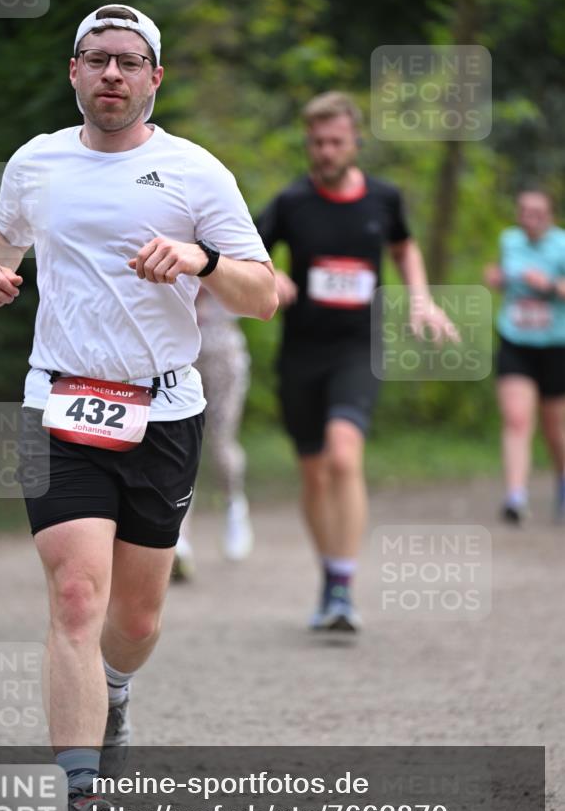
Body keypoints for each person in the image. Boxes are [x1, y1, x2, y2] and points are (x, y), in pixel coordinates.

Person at [0, 3, 276, 811]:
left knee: (133, 621)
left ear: (154, 78)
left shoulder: (194, 172)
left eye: (128, 61)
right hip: (60, 403)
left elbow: (264, 292)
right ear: (73, 71)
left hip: (163, 412)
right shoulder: (38, 160)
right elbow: (0, 227)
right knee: (75, 596)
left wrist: (202, 262)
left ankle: (114, 691)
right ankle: (83, 800)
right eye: (95, 59)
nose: (111, 74)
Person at [256, 91, 458, 633]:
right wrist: (270, 275)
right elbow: (244, 250)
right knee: (314, 474)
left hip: (358, 349)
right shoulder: (291, 202)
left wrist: (421, 298)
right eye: (317, 142)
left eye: (335, 142)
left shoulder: (384, 199)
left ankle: (343, 587)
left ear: (355, 142)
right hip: (301, 354)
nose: (324, 152)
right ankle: (330, 576)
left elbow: (404, 248)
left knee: (344, 456)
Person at [484, 190, 565, 524]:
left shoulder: (562, 244)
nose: (530, 216)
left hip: (555, 346)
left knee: (554, 429)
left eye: (538, 211)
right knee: (517, 418)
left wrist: (546, 284)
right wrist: (498, 278)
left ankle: (562, 479)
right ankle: (516, 496)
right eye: (525, 210)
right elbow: (502, 274)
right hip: (515, 340)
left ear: (550, 215)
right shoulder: (509, 240)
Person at [172, 288, 253, 581]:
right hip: (175, 350)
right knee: (178, 446)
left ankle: (234, 503)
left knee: (220, 443)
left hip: (221, 347)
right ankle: (179, 539)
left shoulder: (225, 242)